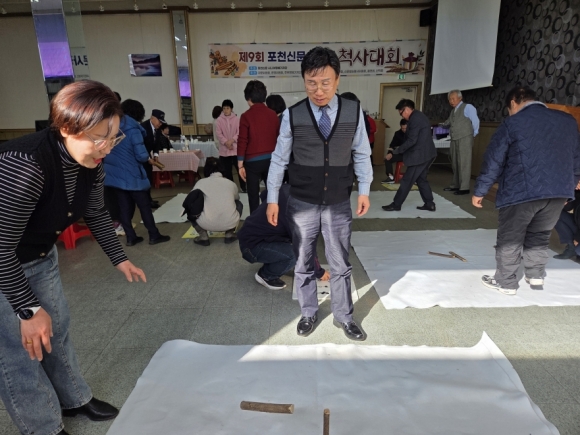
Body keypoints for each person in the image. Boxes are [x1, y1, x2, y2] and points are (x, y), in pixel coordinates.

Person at [0, 80, 146, 435]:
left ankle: (74, 399)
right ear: (67, 127)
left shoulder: (91, 162)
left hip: (39, 255)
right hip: (4, 263)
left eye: (113, 137)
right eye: (99, 138)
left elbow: (95, 211)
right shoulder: (25, 164)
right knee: (20, 349)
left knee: (57, 329)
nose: (106, 148)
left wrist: (119, 258)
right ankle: (43, 426)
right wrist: (27, 309)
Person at [266, 46, 373, 341]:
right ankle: (308, 312)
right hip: (302, 202)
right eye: (311, 83)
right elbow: (279, 159)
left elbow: (362, 152)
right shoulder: (293, 115)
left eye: (325, 82)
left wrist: (364, 189)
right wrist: (272, 198)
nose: (318, 90)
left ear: (337, 79)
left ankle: (344, 316)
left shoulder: (353, 111)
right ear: (304, 80)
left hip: (338, 200)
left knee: (340, 261)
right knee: (303, 261)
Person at [473, 86, 580, 295]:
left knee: (511, 237)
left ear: (513, 102)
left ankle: (506, 282)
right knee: (540, 234)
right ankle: (536, 275)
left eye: (509, 108)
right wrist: (572, 183)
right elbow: (576, 157)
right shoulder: (567, 121)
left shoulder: (513, 123)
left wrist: (481, 190)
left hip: (521, 191)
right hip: (558, 192)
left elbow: (494, 160)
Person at [104, 99, 171, 247]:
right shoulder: (133, 129)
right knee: (144, 205)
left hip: (114, 174)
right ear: (139, 113)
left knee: (124, 207)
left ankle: (130, 237)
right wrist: (148, 159)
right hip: (131, 174)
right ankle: (154, 235)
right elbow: (141, 156)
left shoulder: (112, 126)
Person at [238, 185, 329, 290]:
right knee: (294, 255)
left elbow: (264, 194)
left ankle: (272, 256)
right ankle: (266, 275)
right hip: (251, 246)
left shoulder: (291, 189)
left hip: (249, 235)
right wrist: (319, 272)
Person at [382, 99, 437, 212]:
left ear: (406, 109)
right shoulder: (419, 116)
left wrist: (397, 151)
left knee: (407, 181)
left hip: (419, 156)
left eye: (401, 113)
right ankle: (430, 203)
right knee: (421, 179)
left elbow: (412, 140)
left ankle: (396, 204)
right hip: (426, 154)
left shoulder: (415, 119)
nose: (402, 116)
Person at [237, 80, 280, 214]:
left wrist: (240, 165)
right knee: (271, 193)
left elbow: (242, 140)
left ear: (248, 97)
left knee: (253, 194)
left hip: (252, 162)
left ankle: (255, 219)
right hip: (271, 160)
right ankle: (271, 218)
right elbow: (278, 137)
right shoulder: (273, 114)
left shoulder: (246, 116)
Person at [183, 157, 242, 246]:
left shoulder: (200, 183)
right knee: (238, 204)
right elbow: (237, 198)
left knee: (191, 207)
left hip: (205, 223)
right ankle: (229, 234)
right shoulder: (231, 183)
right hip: (229, 222)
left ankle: (203, 236)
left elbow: (190, 200)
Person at [441, 90, 480, 195]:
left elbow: (475, 121)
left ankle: (464, 188)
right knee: (455, 162)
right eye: (450, 99)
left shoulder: (468, 107)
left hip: (465, 138)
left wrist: (474, 134)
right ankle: (455, 185)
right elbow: (449, 122)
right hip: (454, 138)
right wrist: (442, 125)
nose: (451, 101)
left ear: (460, 98)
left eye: (453, 99)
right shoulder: (453, 111)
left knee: (464, 163)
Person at [216, 99, 246, 192]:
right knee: (227, 171)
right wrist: (226, 142)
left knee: (240, 169)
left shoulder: (237, 119)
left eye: (227, 108)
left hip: (235, 149)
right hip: (224, 150)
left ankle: (243, 187)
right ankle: (231, 189)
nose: (226, 110)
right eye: (224, 108)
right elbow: (219, 134)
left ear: (231, 109)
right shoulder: (219, 120)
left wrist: (232, 140)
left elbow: (239, 132)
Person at [140, 109, 165, 208]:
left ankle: (149, 199)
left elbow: (156, 144)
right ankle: (145, 201)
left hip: (148, 157)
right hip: (141, 158)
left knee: (149, 178)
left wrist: (156, 155)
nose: (160, 124)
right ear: (152, 118)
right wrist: (147, 158)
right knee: (144, 179)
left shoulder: (157, 129)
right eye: (159, 121)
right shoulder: (143, 127)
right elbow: (141, 145)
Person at [553, 182, 580, 260]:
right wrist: (567, 199)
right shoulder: (577, 191)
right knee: (556, 214)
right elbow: (568, 207)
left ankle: (576, 247)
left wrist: (577, 238)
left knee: (578, 251)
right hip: (578, 224)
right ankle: (571, 247)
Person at [383, 119, 407, 183]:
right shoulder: (398, 134)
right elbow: (392, 145)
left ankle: (416, 178)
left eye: (405, 128)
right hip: (401, 154)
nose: (404, 130)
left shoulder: (413, 133)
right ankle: (391, 177)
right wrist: (390, 153)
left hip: (411, 154)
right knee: (387, 159)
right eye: (402, 128)